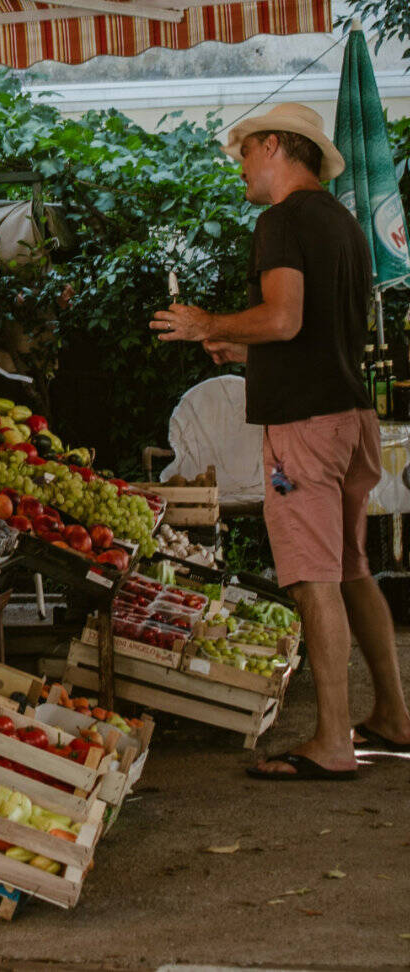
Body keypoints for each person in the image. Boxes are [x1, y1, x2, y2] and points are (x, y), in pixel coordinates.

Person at [150, 103, 410, 779]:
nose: (240, 169)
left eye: (243, 154)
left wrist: (209, 318)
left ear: (273, 147)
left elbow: (286, 317)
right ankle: (392, 715)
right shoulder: (344, 224)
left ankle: (330, 742)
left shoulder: (283, 220)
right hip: (350, 420)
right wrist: (241, 346)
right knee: (352, 569)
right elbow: (313, 335)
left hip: (305, 430)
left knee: (311, 578)